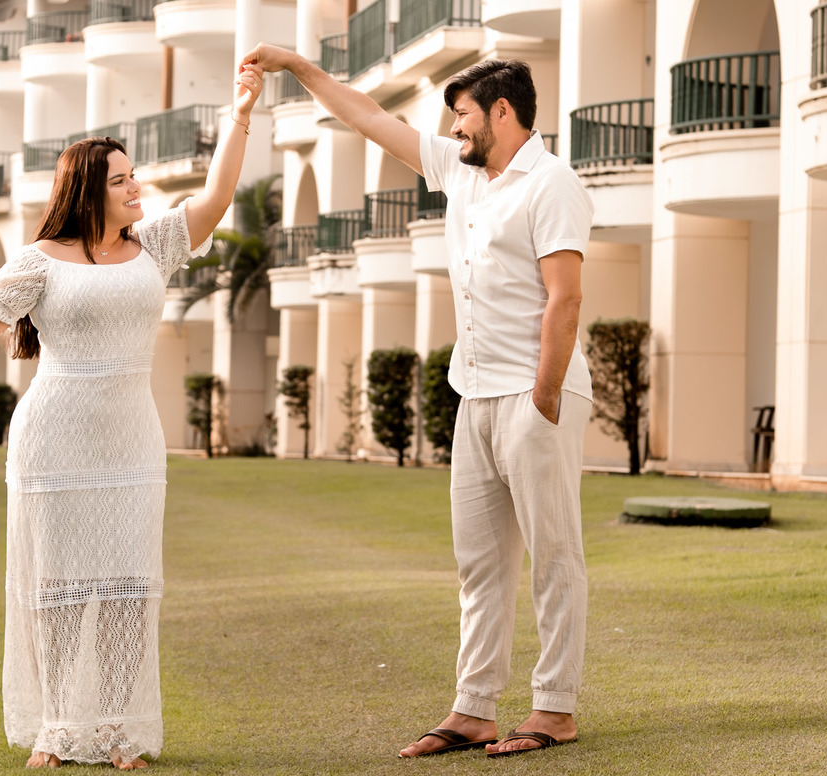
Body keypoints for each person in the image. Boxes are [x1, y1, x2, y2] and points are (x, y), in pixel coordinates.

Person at [0, 63, 265, 770]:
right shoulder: (38, 262)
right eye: (121, 180)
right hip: (54, 437)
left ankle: (119, 730)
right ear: (88, 192)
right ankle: (61, 727)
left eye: (134, 176)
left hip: (131, 440)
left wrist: (241, 114)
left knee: (128, 588)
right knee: (60, 591)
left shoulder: (156, 244)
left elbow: (218, 195)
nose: (136, 188)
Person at [242, 45, 593, 759]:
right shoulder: (460, 171)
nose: (454, 128)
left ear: (501, 111)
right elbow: (369, 117)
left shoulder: (552, 182)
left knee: (554, 556)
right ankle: (474, 709)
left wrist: (544, 396)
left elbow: (565, 297)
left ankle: (554, 709)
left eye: (463, 114)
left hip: (536, 394)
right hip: (475, 393)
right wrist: (299, 67)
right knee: (480, 563)